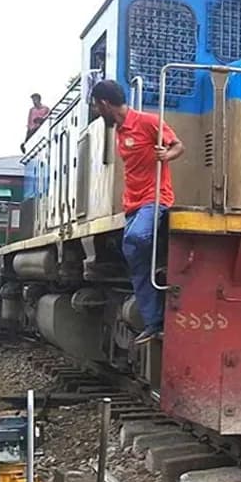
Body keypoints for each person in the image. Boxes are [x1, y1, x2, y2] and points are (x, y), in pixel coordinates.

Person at [90, 79, 184, 345]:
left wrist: (166, 154)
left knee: (135, 240)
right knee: (132, 257)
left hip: (155, 198)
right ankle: (153, 322)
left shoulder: (147, 121)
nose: (97, 112)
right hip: (132, 204)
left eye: (97, 107)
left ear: (105, 104)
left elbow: (178, 145)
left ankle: (162, 262)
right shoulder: (119, 131)